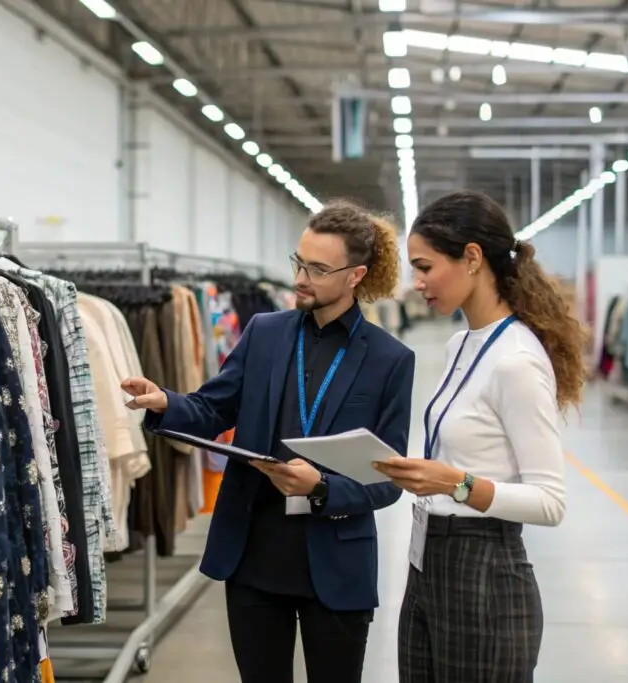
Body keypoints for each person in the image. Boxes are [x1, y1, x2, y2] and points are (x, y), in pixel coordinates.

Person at [122, 200, 415, 683]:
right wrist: (165, 403)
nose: (301, 277)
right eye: (299, 262)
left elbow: (388, 480)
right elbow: (213, 409)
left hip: (336, 564)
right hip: (254, 557)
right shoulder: (265, 333)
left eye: (318, 269)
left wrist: (321, 487)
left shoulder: (390, 359)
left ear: (356, 275)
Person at [374, 190, 588, 683]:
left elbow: (549, 501)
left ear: (472, 257)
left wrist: (455, 482)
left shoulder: (516, 361)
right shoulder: (459, 344)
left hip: (485, 572)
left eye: (425, 267)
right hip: (428, 562)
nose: (417, 282)